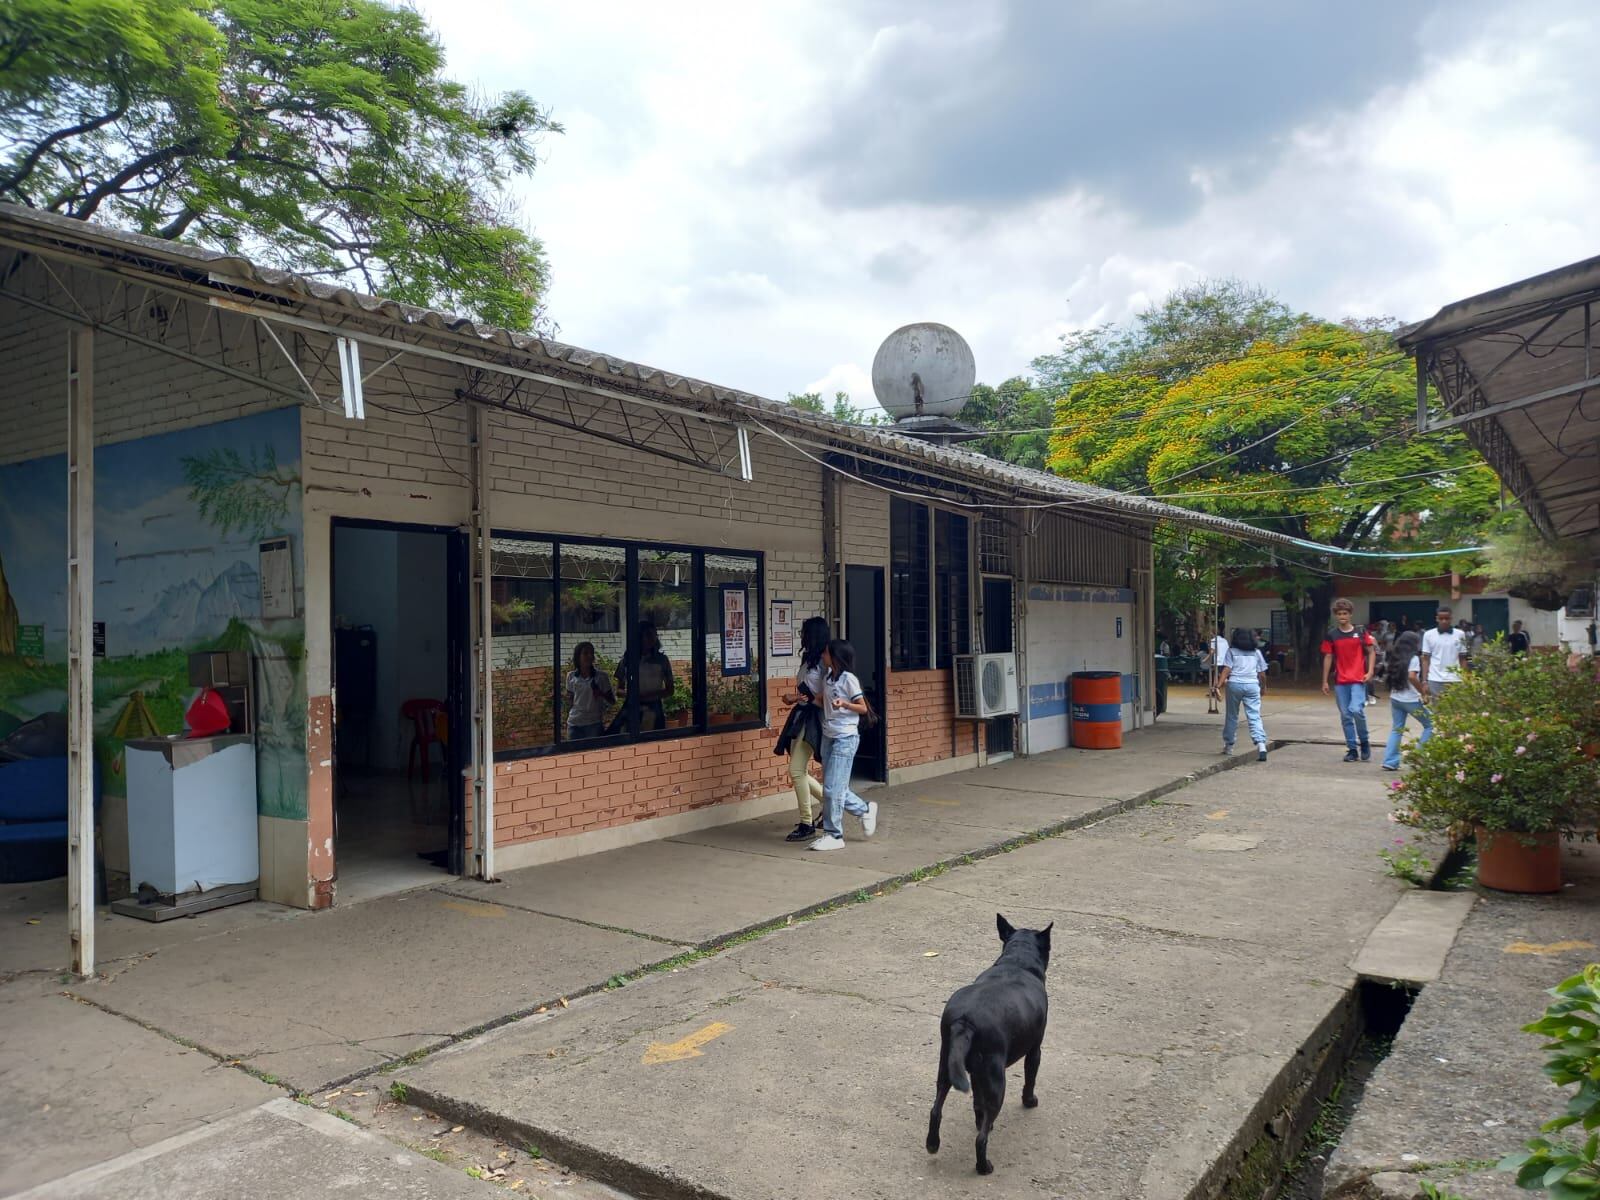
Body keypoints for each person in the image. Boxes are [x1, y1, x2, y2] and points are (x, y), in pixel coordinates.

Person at [809, 638, 879, 852]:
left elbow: (862, 708)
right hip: (829, 736)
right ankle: (864, 809)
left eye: (826, 653)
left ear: (835, 657)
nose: (823, 656)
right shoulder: (828, 678)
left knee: (832, 788)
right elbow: (822, 699)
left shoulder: (849, 679)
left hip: (845, 738)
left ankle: (834, 834)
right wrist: (804, 698)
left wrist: (845, 704)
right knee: (834, 787)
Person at [779, 616, 829, 842]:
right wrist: (793, 697)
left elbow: (828, 692)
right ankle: (829, 805)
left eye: (804, 632)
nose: (801, 636)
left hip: (814, 718)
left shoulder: (825, 661)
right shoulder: (808, 658)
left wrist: (807, 698)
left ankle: (806, 823)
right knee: (799, 770)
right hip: (801, 715)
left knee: (796, 770)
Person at [1321, 598, 1376, 762]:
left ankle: (1364, 742)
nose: (1342, 616)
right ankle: (1352, 749)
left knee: (1356, 710)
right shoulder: (1332, 635)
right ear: (1336, 616)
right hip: (1341, 680)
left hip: (1358, 678)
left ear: (1350, 614)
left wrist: (1370, 671)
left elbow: (1371, 651)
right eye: (1339, 614)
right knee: (1345, 715)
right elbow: (1328, 656)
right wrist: (1324, 680)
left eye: (1345, 613)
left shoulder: (1360, 632)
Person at [1381, 629, 1433, 771]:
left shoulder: (1394, 657)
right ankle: (1418, 756)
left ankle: (1390, 761)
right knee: (1431, 725)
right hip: (1410, 700)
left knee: (1397, 729)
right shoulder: (1414, 659)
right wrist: (1422, 692)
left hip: (1395, 698)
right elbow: (1412, 676)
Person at [1214, 627, 1269, 762]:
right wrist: (1263, 687)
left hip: (1234, 685)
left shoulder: (1231, 651)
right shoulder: (1256, 653)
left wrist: (1218, 685)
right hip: (1252, 685)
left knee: (1232, 716)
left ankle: (1229, 746)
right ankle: (1261, 745)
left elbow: (1227, 670)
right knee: (1254, 716)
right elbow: (1262, 674)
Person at [565, 642, 615, 740]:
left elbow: (612, 701)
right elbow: (570, 701)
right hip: (574, 724)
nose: (590, 656)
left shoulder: (601, 677)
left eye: (592, 653)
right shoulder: (571, 676)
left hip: (593, 724)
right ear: (578, 656)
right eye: (585, 653)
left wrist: (601, 693)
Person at [1420, 606, 1469, 703]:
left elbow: (1463, 659)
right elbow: (1425, 659)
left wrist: (1465, 679)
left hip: (1456, 679)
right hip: (1435, 679)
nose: (1444, 621)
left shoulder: (1460, 634)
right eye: (1441, 618)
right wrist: (1424, 681)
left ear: (1451, 618)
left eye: (1447, 618)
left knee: (1456, 708)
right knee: (1437, 708)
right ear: (1436, 619)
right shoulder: (1428, 635)